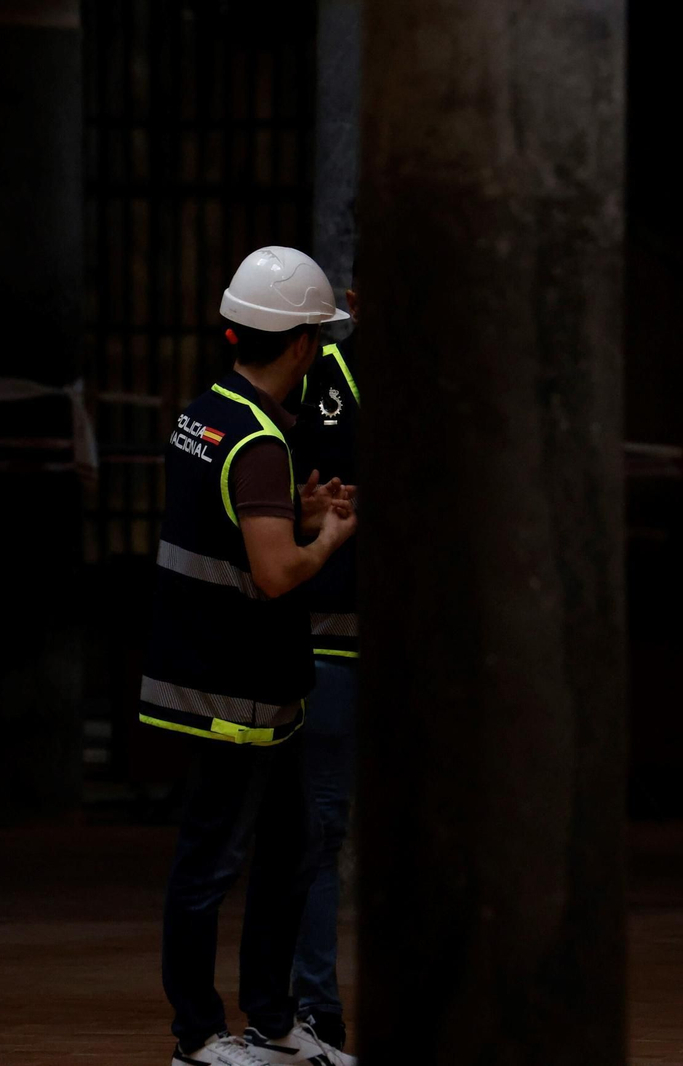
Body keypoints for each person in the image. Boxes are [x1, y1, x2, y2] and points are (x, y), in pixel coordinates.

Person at [140, 247, 358, 1066]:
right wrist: (328, 535)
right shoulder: (261, 441)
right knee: (214, 863)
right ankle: (198, 1037)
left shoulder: (207, 415)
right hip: (234, 688)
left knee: (286, 848)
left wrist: (291, 510)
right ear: (302, 346)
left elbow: (231, 525)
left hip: (240, 680)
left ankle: (272, 1021)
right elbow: (273, 573)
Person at [286, 283, 360, 1053]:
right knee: (320, 826)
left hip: (435, 661)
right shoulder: (317, 371)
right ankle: (314, 1007)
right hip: (331, 641)